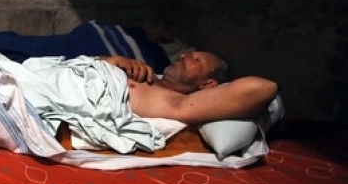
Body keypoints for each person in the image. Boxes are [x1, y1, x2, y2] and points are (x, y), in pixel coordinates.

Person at [99, 51, 277, 124]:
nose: (184, 56)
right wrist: (114, 60)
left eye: (196, 60)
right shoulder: (146, 72)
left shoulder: (177, 103)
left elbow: (264, 88)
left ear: (207, 84)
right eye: (187, 54)